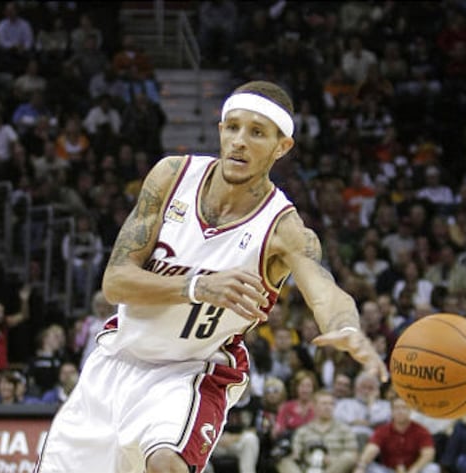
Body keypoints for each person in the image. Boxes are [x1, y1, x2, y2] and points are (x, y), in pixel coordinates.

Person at [36, 80, 388, 473]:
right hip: (115, 360)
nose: (240, 141)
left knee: (167, 463)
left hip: (191, 371)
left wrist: (347, 327)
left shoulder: (283, 228)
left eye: (257, 133)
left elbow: (324, 289)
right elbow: (116, 281)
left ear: (281, 146)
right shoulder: (171, 177)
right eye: (233, 127)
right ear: (220, 129)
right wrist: (198, 286)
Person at [276, 390, 359, 473]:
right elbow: (296, 453)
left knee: (348, 457)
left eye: (331, 404)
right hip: (308, 468)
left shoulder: (344, 429)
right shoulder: (303, 430)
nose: (328, 407)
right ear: (314, 406)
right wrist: (296, 455)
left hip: (333, 468)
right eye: (324, 404)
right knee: (283, 462)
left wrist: (332, 460)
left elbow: (353, 455)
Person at [354, 396, 439, 473]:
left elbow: (428, 453)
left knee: (433, 468)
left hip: (413, 469)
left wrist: (414, 470)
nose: (400, 411)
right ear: (391, 411)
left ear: (410, 411)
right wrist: (361, 466)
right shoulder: (383, 430)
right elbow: (372, 449)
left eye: (404, 408)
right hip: (389, 469)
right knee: (369, 468)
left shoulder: (421, 430)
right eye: (396, 408)